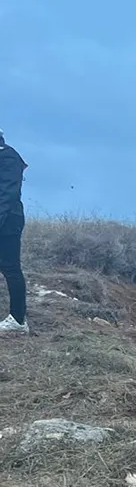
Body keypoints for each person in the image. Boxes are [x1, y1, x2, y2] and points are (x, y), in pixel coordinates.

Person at [0, 130, 27, 334]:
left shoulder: (8, 157)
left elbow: (7, 195)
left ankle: (18, 320)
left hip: (8, 221)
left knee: (10, 268)